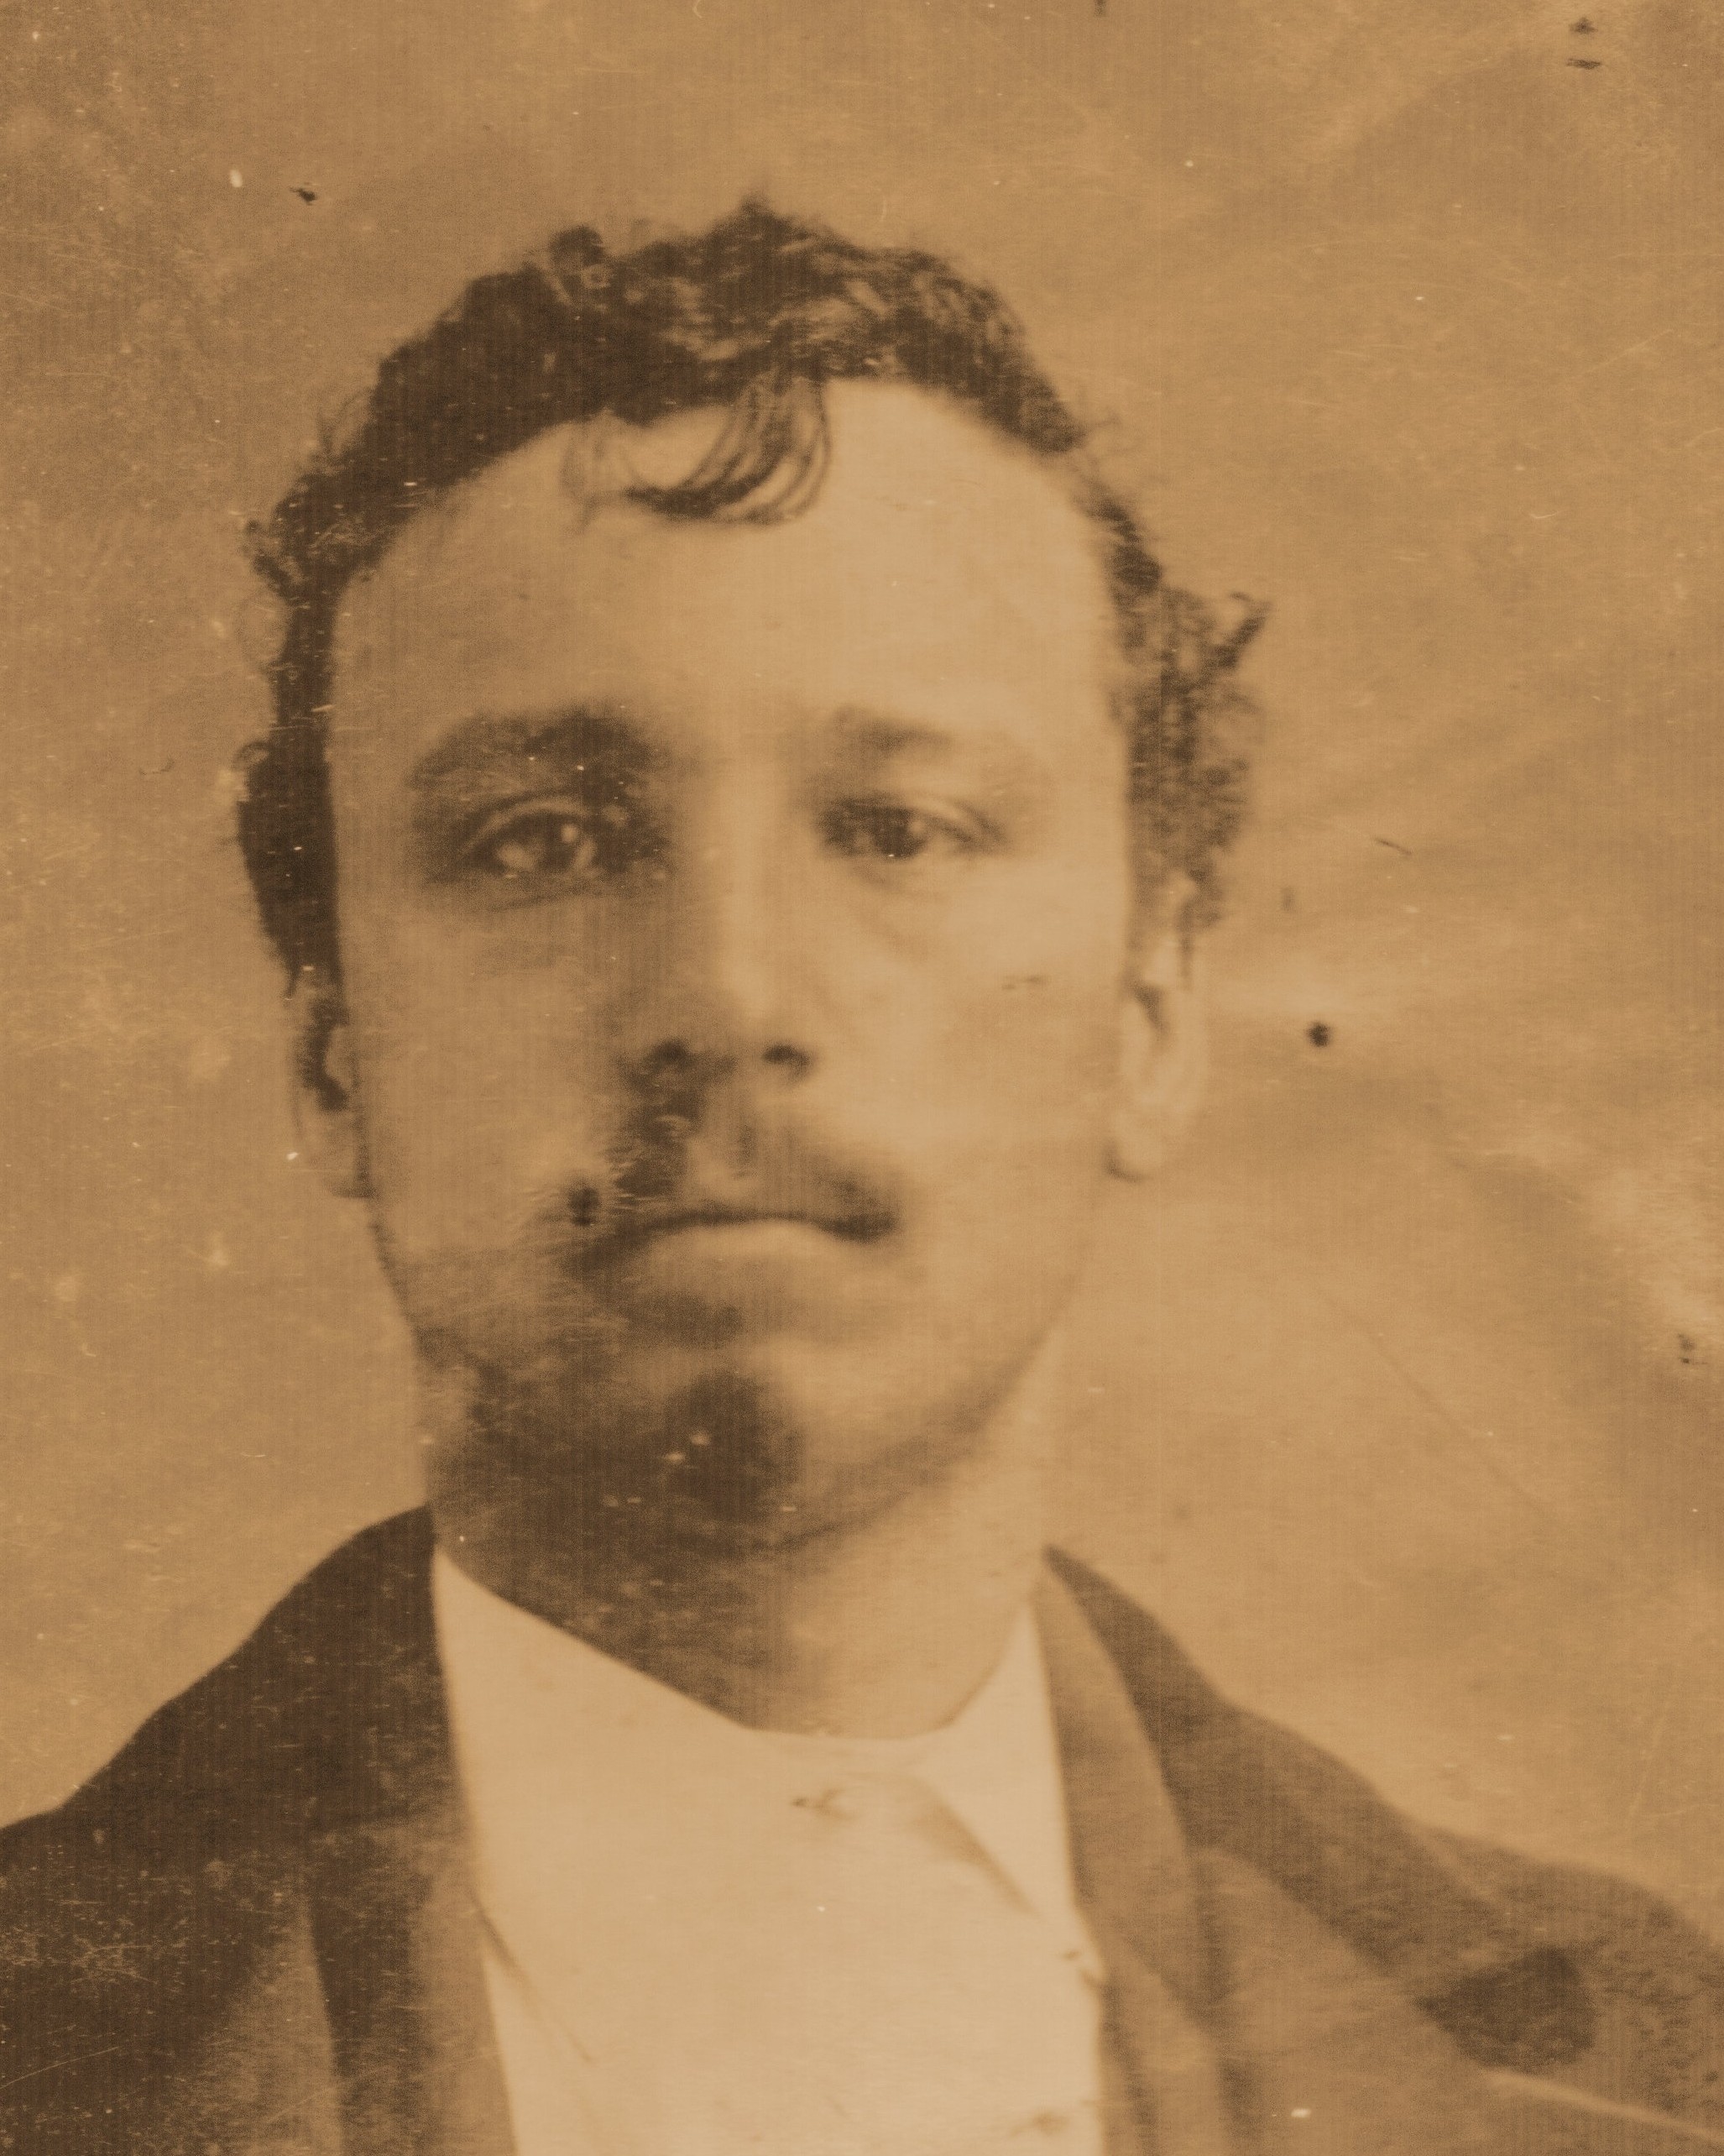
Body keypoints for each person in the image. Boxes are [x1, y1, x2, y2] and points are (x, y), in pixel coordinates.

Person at [1, 201, 1718, 2156]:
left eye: (899, 827)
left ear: (1149, 1014)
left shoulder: (1648, 2067)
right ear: (332, 1053)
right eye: (544, 840)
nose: (728, 1000)